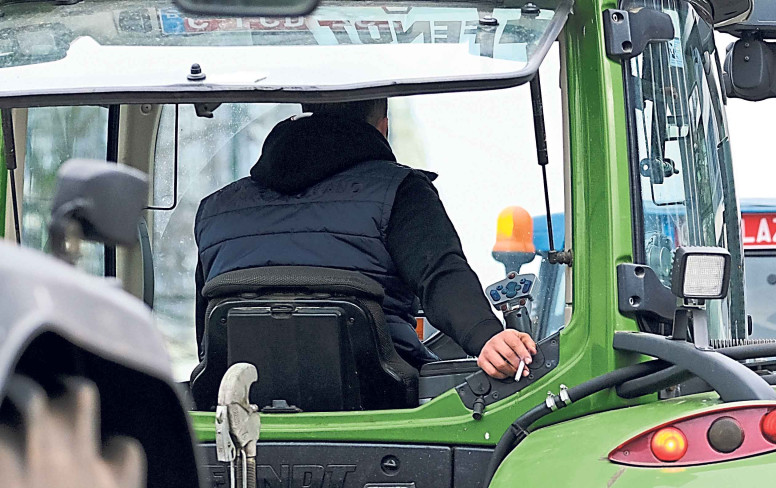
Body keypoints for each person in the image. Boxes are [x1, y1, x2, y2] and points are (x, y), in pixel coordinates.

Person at [194, 99, 534, 380]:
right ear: (383, 128)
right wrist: (487, 336)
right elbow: (441, 274)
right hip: (383, 402)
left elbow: (208, 338)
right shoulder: (400, 190)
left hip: (240, 413)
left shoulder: (214, 209)